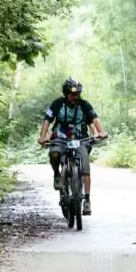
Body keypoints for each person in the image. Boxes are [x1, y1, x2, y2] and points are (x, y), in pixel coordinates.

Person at [37, 77, 107, 215]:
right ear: (66, 93)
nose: (75, 97)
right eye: (72, 94)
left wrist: (102, 131)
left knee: (85, 164)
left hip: (80, 139)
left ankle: (86, 200)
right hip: (60, 138)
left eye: (78, 94)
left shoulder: (84, 104)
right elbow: (47, 120)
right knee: (54, 154)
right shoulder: (57, 104)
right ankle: (57, 173)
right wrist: (42, 137)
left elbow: (94, 118)